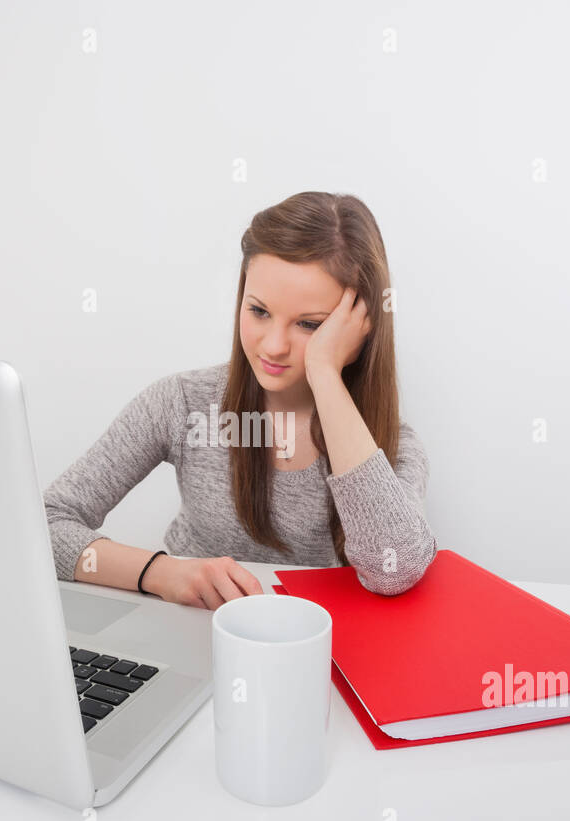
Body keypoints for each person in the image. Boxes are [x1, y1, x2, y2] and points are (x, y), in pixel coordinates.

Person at [44, 190, 438, 609]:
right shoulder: (183, 403)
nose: (273, 346)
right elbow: (45, 525)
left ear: (360, 328)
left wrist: (325, 373)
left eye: (309, 324)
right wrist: (161, 572)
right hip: (192, 635)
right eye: (259, 311)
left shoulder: (391, 447)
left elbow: (394, 571)